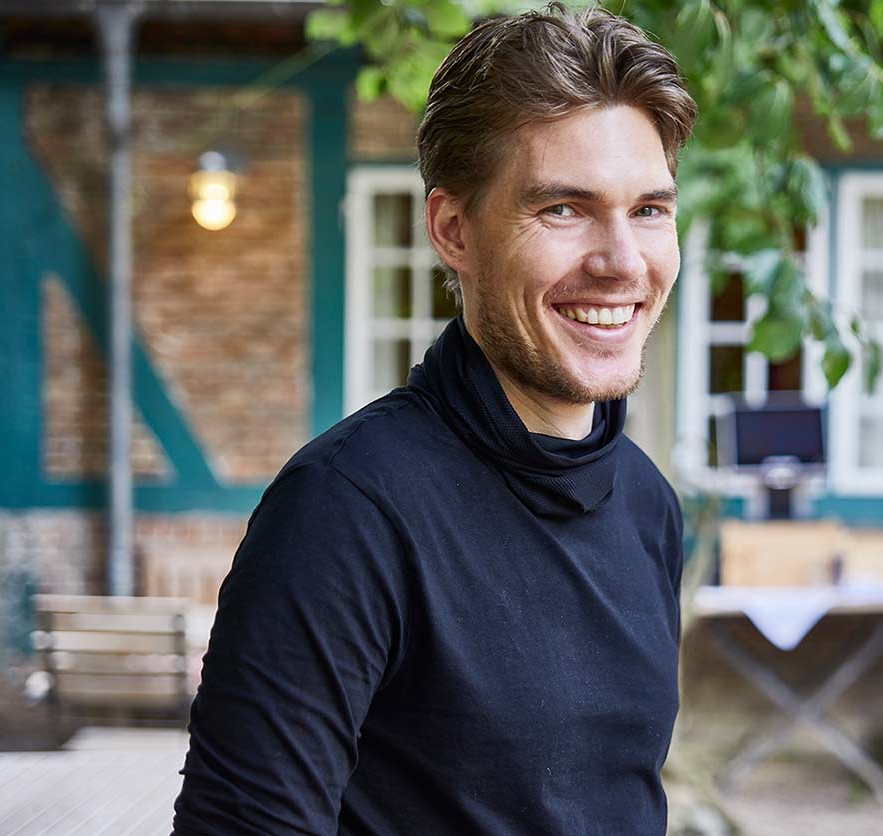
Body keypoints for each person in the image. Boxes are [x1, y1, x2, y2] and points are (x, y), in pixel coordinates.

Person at [171, 6, 697, 834]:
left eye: (649, 210)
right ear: (454, 230)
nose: (621, 261)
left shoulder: (647, 506)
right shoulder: (345, 509)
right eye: (563, 209)